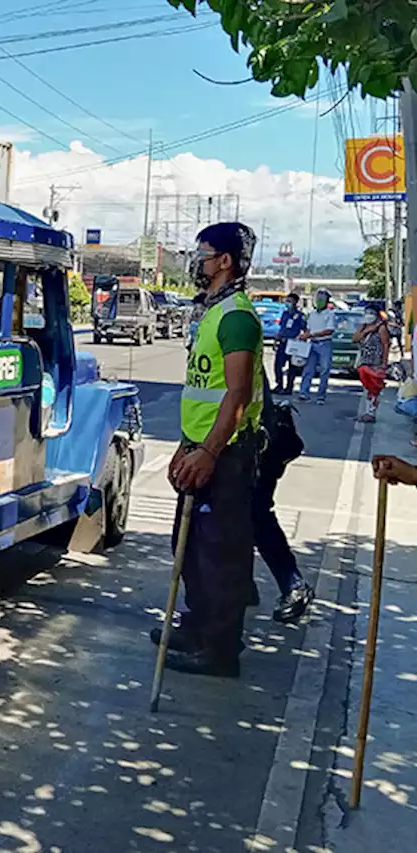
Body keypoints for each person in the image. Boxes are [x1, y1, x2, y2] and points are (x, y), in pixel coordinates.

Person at [157, 221, 264, 678]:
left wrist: (209, 452)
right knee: (192, 550)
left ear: (225, 261)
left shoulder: (236, 317)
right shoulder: (211, 312)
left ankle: (219, 650)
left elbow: (236, 395)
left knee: (220, 554)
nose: (196, 262)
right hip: (200, 448)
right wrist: (187, 447)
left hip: (226, 456)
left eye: (203, 253)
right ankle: (197, 626)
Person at [253, 375, 314, 622]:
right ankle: (236, 588)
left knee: (257, 516)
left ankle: (293, 585)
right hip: (243, 449)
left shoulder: (234, 339)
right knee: (237, 519)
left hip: (252, 449)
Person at [298, 289, 336, 404]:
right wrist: (304, 336)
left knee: (324, 370)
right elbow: (309, 329)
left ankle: (321, 395)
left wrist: (313, 334)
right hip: (312, 344)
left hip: (324, 344)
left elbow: (329, 330)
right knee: (308, 369)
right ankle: (304, 392)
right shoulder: (312, 314)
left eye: (321, 300)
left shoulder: (330, 314)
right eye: (317, 299)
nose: (319, 302)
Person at [353, 306, 391, 423]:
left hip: (376, 362)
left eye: (371, 313)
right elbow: (355, 339)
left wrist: (384, 363)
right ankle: (367, 411)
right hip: (364, 361)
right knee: (366, 387)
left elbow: (386, 345)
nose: (368, 315)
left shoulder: (381, 328)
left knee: (373, 388)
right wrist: (366, 331)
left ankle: (371, 412)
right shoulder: (363, 326)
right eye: (367, 313)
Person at [273, 293, 307, 395]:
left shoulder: (300, 316)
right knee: (277, 365)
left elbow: (305, 329)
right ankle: (279, 385)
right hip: (283, 342)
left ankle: (289, 388)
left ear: (295, 303)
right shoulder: (285, 314)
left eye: (289, 301)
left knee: (292, 367)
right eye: (286, 301)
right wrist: (277, 339)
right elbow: (282, 328)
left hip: (293, 344)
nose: (287, 303)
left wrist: (302, 340)